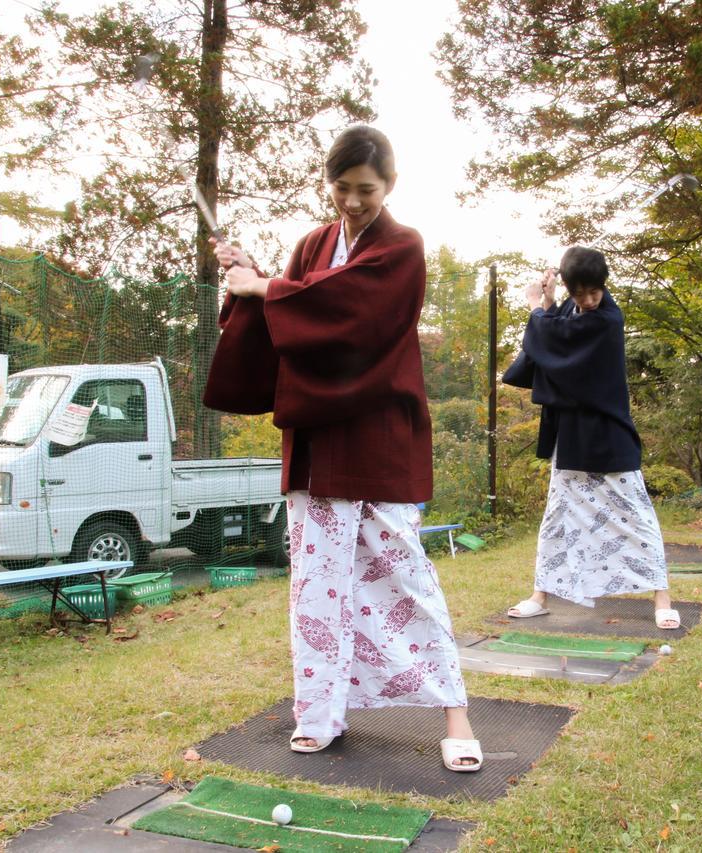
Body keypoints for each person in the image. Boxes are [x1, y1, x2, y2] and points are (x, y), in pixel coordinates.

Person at [202, 125, 480, 772]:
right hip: (318, 439)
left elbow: (351, 312)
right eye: (342, 188)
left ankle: (455, 712)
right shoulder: (310, 245)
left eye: (366, 190)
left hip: (379, 438)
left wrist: (265, 288)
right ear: (327, 182)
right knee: (317, 585)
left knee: (405, 576)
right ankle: (319, 713)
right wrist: (248, 281)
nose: (352, 202)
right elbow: (289, 318)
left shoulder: (403, 247)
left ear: (390, 187)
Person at [502, 247, 678, 629]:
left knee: (635, 512)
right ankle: (540, 594)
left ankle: (662, 598)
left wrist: (535, 304)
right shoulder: (570, 309)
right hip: (571, 436)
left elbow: (551, 337)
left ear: (604, 285)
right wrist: (549, 301)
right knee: (558, 516)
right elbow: (552, 336)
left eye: (594, 291)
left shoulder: (607, 320)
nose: (588, 300)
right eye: (579, 293)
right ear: (570, 289)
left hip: (608, 434)